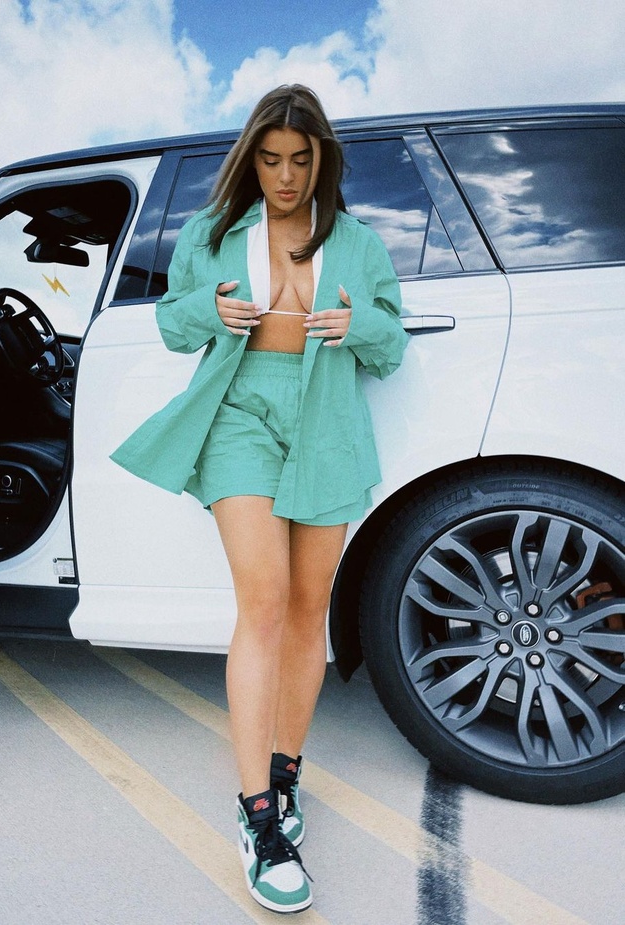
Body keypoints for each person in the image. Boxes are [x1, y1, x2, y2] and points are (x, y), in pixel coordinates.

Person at [111, 84, 408, 914]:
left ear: (322, 162)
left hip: (326, 418)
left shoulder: (356, 242)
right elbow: (173, 323)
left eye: (300, 160)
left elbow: (391, 341)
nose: (284, 176)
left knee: (311, 607)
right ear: (252, 159)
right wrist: (210, 308)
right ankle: (258, 818)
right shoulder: (214, 233)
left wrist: (358, 326)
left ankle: (285, 771)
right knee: (266, 601)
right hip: (240, 411)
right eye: (271, 159)